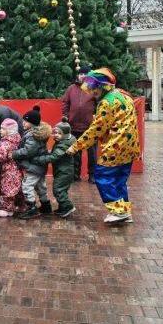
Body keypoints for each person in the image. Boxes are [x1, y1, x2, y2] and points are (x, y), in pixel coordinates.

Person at [66, 68, 141, 223]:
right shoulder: (123, 95)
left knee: (102, 176)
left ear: (102, 87)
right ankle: (125, 211)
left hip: (116, 147)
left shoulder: (107, 102)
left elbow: (96, 130)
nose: (91, 92)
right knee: (119, 180)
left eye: (94, 88)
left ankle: (118, 212)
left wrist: (75, 147)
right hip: (130, 147)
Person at [11, 106, 52, 219]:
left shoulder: (33, 136)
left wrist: (14, 153)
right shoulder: (35, 133)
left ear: (33, 123)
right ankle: (46, 205)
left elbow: (28, 151)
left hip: (34, 167)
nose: (23, 123)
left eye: (26, 121)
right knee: (40, 186)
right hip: (39, 166)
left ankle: (31, 208)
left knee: (27, 186)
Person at [34, 118, 76, 218]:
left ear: (65, 134)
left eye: (59, 133)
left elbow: (54, 157)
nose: (56, 135)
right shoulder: (63, 141)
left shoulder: (64, 144)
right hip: (62, 170)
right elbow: (55, 154)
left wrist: (38, 159)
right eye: (55, 133)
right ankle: (62, 207)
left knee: (58, 189)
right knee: (61, 190)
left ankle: (68, 207)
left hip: (64, 172)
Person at [61, 65, 97, 183]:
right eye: (81, 74)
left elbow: (100, 103)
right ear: (78, 75)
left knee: (92, 154)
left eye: (86, 74)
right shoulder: (71, 88)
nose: (83, 76)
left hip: (90, 127)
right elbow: (65, 103)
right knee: (75, 152)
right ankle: (75, 175)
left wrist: (96, 116)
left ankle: (92, 175)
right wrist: (66, 115)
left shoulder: (94, 88)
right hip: (74, 126)